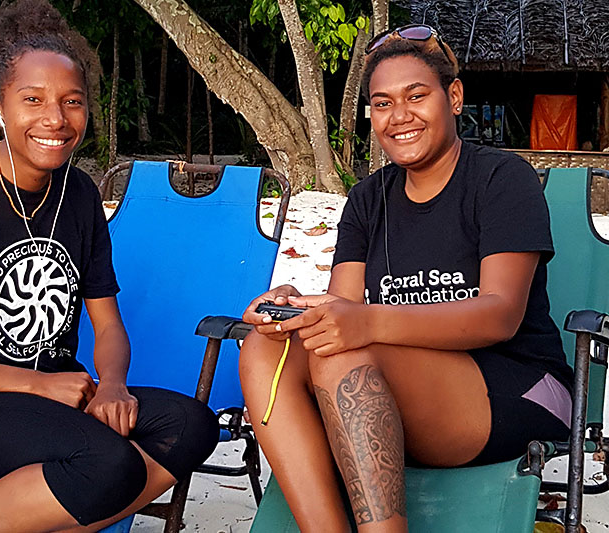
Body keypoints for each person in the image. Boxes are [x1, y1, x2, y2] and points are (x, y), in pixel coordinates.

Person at [0, 1, 219, 531]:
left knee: (190, 424)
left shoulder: (78, 194)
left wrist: (113, 385)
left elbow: (107, 323)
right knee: (108, 463)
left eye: (71, 102)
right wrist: (31, 385)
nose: (55, 120)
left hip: (60, 395)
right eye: (32, 100)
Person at [240, 24, 573, 533]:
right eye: (382, 103)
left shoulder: (501, 179)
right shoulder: (367, 200)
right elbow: (344, 308)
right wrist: (292, 309)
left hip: (517, 384)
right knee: (264, 350)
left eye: (416, 96)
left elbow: (500, 314)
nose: (399, 117)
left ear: (454, 96)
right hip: (409, 388)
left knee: (344, 353)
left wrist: (362, 322)